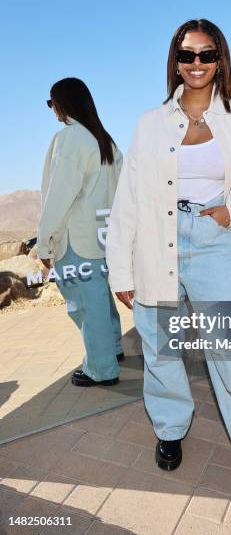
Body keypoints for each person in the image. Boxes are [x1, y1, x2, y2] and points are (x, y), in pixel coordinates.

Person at [106, 19, 231, 505]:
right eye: (187, 56)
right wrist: (120, 269)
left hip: (213, 240)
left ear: (220, 60)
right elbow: (128, 199)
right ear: (176, 61)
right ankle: (169, 429)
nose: (196, 65)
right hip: (155, 244)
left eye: (206, 55)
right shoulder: (150, 123)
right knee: (162, 351)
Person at [37, 77, 124, 387]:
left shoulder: (70, 138)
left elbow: (58, 196)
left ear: (63, 103)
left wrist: (44, 242)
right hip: (102, 236)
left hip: (76, 239)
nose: (52, 110)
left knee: (85, 306)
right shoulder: (106, 140)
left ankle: (101, 368)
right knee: (100, 297)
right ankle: (112, 347)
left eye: (52, 103)